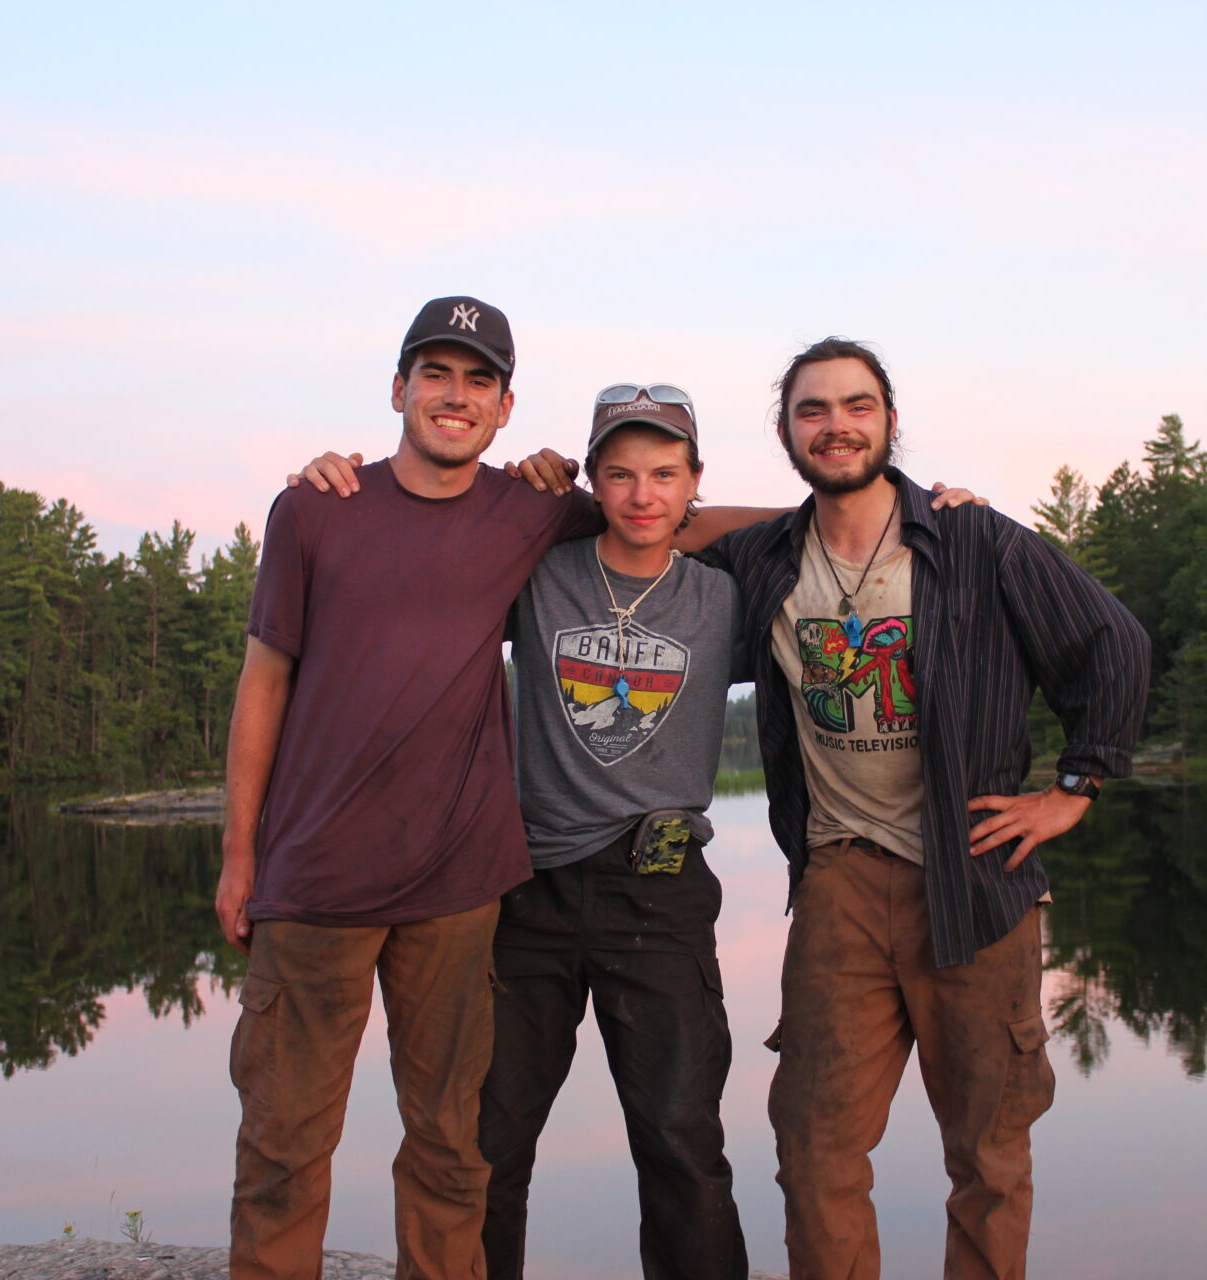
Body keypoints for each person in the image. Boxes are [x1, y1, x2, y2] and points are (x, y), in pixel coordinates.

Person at [516, 337, 1151, 1279]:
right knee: (814, 1145)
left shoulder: (976, 542)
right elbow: (652, 524)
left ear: (890, 421)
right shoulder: (765, 560)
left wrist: (1073, 790)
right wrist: (547, 499)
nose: (836, 425)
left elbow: (1114, 643)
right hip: (841, 878)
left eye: (857, 406)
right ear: (786, 433)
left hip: (976, 873)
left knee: (987, 1151)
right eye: (812, 411)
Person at [216, 295, 606, 1280]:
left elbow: (659, 510)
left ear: (506, 407)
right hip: (315, 884)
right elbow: (263, 683)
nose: (455, 394)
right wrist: (238, 855)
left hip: (458, 884)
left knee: (448, 1145)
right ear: (399, 389)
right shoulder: (315, 506)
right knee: (281, 1145)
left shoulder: (530, 510)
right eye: (436, 373)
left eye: (479, 379)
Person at [480, 383, 748, 1279]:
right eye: (621, 474)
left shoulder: (722, 600)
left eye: (665, 474)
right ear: (591, 480)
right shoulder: (538, 574)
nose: (643, 496)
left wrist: (913, 501)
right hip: (533, 892)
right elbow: (442, 523)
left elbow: (829, 524)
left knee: (679, 1140)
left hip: (659, 894)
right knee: (488, 1141)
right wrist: (530, 495)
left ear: (694, 483)